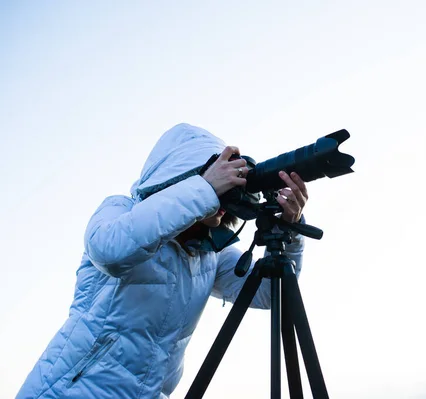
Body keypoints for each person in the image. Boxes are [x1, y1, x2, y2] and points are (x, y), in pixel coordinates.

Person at [16, 123, 309, 399]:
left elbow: (269, 294)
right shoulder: (121, 210)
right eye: (220, 184)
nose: (224, 198)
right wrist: (205, 189)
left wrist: (289, 230)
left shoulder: (209, 254)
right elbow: (111, 251)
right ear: (181, 177)